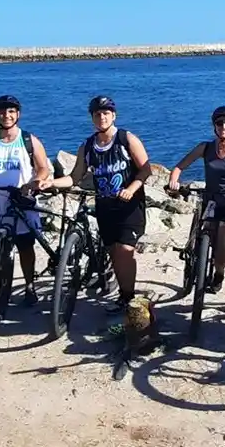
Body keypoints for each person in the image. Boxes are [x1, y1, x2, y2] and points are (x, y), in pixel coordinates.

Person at [39, 96, 151, 314]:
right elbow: (74, 177)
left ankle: (129, 297)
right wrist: (51, 182)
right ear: (92, 118)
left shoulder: (127, 139)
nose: (102, 117)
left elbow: (146, 169)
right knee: (113, 252)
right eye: (98, 114)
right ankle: (123, 295)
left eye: (106, 113)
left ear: (114, 115)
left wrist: (132, 188)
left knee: (125, 250)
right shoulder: (88, 146)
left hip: (129, 206)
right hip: (105, 207)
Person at [167, 106, 225, 317]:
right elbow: (179, 166)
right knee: (220, 248)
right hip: (213, 202)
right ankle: (218, 273)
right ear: (214, 126)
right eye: (219, 123)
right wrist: (174, 179)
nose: (223, 127)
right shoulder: (205, 148)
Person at [0, 95, 53, 306]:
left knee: (26, 246)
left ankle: (29, 286)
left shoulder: (29, 140)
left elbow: (43, 167)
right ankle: (4, 287)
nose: (6, 115)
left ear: (18, 114)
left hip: (22, 200)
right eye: (2, 111)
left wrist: (35, 182)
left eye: (11, 111)